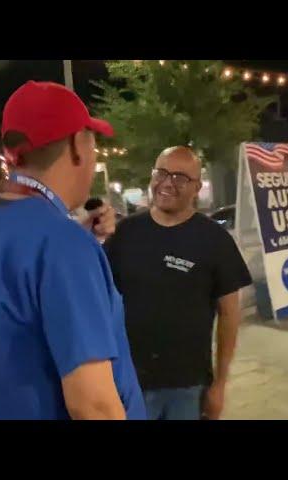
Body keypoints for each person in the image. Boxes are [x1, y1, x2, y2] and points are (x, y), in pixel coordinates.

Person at [0, 81, 145, 420]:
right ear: (76, 146)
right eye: (93, 142)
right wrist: (76, 250)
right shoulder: (63, 245)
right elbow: (94, 406)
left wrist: (77, 244)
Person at [104, 146, 252, 420]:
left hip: (188, 386)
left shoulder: (215, 240)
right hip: (129, 383)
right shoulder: (125, 234)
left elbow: (230, 314)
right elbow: (100, 299)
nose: (167, 183)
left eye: (181, 178)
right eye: (161, 173)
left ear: (196, 187)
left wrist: (219, 385)